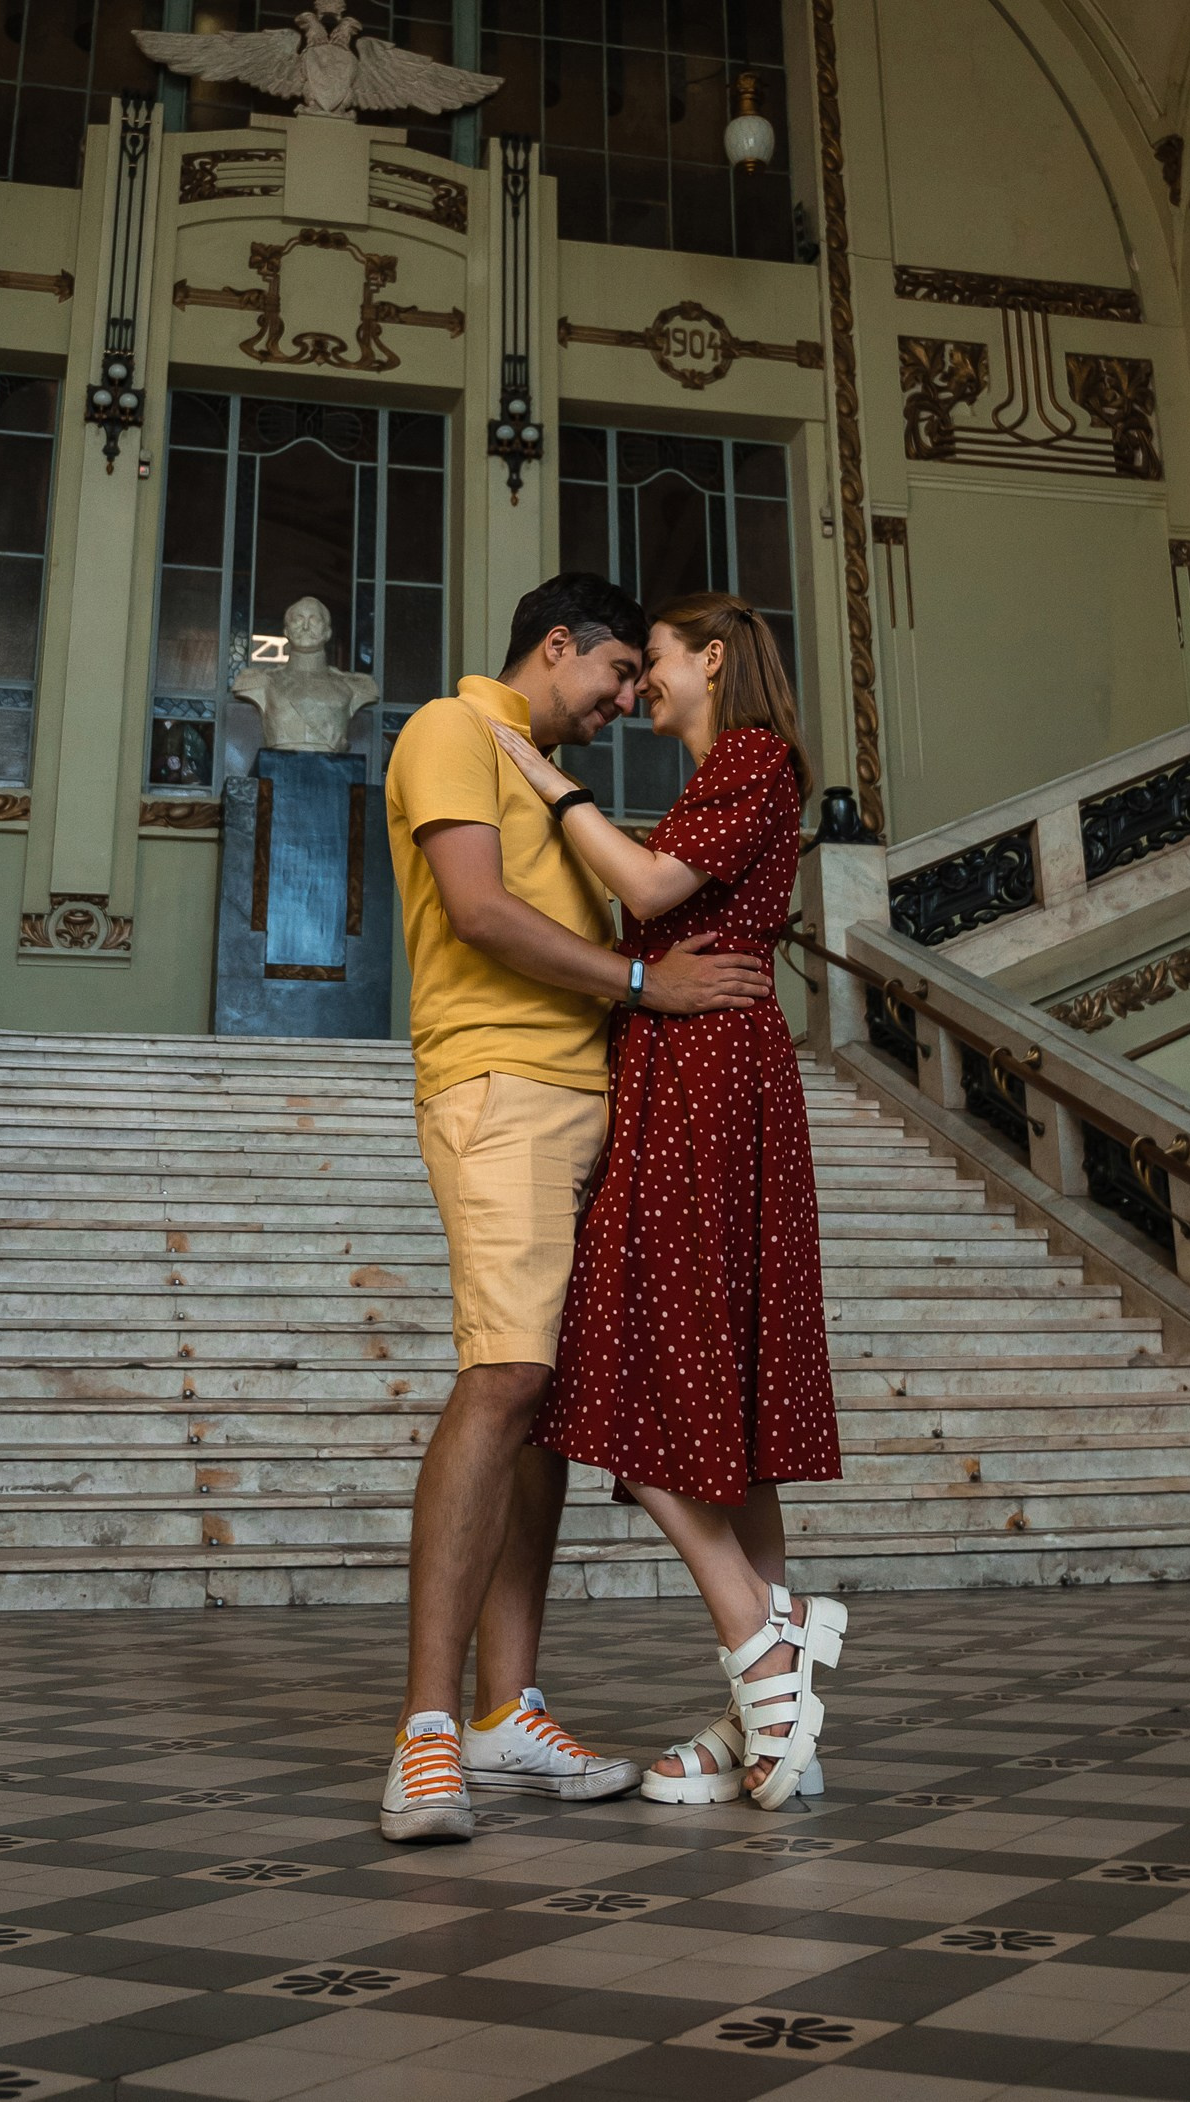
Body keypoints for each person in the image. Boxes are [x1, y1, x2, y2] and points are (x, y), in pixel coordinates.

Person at [379, 572, 772, 1844]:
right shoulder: (451, 726)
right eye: (615, 674)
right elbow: (477, 912)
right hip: (499, 1087)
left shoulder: (552, 779)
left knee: (544, 1403)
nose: (624, 700)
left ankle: (508, 1710)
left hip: (592, 1096)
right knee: (503, 1376)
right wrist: (645, 983)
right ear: (557, 645)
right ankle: (426, 1731)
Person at [493, 594, 844, 1811]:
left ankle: (762, 1642)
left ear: (712, 659)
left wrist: (545, 781)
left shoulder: (750, 757)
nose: (637, 685)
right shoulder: (723, 776)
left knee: (624, 1363)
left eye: (651, 664)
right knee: (717, 1384)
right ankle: (766, 1709)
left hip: (706, 1073)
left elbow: (648, 891)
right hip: (688, 1070)